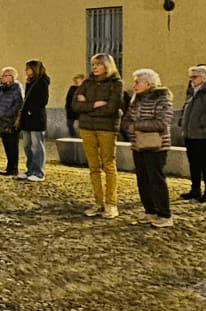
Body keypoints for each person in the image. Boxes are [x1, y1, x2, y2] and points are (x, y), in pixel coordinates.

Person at [73, 53, 124, 218]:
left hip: (106, 129)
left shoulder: (116, 84)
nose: (94, 67)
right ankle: (99, 202)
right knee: (93, 167)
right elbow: (74, 105)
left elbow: (112, 108)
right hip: (87, 128)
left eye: (98, 64)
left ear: (107, 66)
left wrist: (86, 106)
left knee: (108, 165)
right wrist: (95, 104)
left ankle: (111, 203)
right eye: (93, 64)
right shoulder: (87, 83)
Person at [126, 69, 174, 228]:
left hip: (156, 146)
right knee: (143, 180)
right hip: (138, 145)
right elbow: (127, 119)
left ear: (148, 83)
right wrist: (130, 127)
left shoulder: (162, 99)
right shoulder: (136, 99)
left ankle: (164, 215)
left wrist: (136, 126)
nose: (134, 85)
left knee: (156, 180)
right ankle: (150, 212)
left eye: (137, 82)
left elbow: (162, 122)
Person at [179, 65, 206, 203]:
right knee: (193, 163)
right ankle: (195, 189)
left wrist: (201, 123)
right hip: (190, 133)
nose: (192, 79)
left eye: (195, 76)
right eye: (191, 76)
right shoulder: (193, 90)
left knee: (204, 163)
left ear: (205, 77)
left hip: (203, 134)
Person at [17, 59, 50, 181]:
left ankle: (38, 172)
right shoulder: (30, 82)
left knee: (37, 146)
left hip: (36, 118)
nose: (26, 71)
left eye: (28, 68)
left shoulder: (42, 82)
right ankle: (30, 169)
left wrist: (31, 109)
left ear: (34, 69)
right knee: (27, 146)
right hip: (27, 118)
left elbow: (43, 100)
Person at [0, 67, 24, 176]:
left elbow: (18, 104)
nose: (1, 77)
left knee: (12, 146)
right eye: (2, 75)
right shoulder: (3, 89)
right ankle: (9, 167)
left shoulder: (16, 88)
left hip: (10, 122)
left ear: (11, 77)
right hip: (2, 121)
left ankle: (13, 168)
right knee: (7, 145)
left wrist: (7, 115)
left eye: (4, 75)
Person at [64, 74, 84, 138]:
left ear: (81, 80)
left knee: (81, 125)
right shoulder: (72, 88)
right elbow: (68, 98)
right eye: (75, 80)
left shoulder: (83, 88)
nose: (75, 81)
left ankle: (82, 137)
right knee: (69, 124)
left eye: (77, 79)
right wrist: (67, 106)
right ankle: (73, 136)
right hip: (70, 109)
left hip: (79, 109)